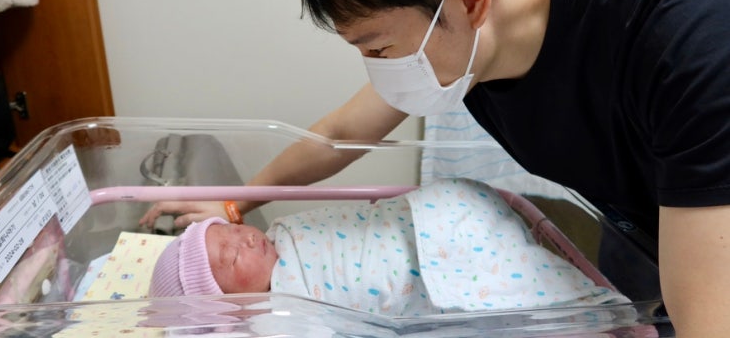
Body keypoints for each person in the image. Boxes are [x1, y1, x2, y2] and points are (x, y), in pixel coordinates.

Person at [140, 0, 730, 336]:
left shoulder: (689, 40)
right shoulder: (475, 44)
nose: (380, 71)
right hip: (642, 222)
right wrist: (233, 204)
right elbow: (341, 134)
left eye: (378, 47)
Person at [149, 179, 626, 316]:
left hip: (427, 220)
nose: (246, 238)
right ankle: (591, 317)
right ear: (229, 305)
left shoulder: (284, 232)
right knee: (520, 305)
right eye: (230, 257)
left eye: (231, 231)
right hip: (427, 276)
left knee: (463, 219)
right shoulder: (281, 316)